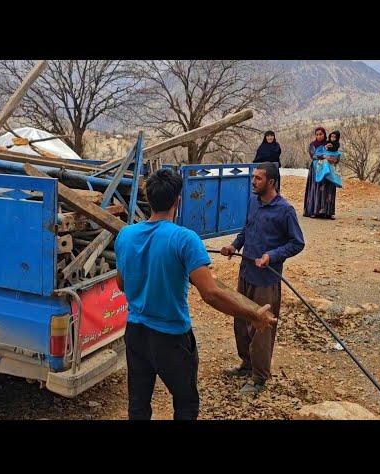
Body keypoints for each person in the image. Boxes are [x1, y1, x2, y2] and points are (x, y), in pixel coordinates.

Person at [114, 168, 277, 420]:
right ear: (178, 200)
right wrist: (253, 314)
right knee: (186, 404)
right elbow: (210, 293)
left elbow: (122, 284)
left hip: (135, 332)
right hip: (171, 337)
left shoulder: (125, 235)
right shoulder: (185, 239)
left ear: (148, 199)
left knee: (138, 403)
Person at [220, 162, 305, 395]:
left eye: (258, 178)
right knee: (240, 321)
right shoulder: (253, 202)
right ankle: (246, 365)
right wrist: (234, 245)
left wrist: (272, 255)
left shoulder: (285, 210)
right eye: (253, 177)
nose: (253, 182)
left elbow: (297, 243)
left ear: (271, 182)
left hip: (266, 279)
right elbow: (246, 231)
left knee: (261, 328)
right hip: (246, 272)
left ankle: (259, 377)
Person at [303, 127, 338, 219]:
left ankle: (328, 212)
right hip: (316, 169)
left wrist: (335, 159)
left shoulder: (329, 144)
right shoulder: (313, 144)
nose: (319, 136)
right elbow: (313, 155)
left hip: (328, 169)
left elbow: (336, 154)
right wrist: (325, 157)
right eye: (317, 134)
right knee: (316, 188)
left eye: (321, 134)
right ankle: (314, 211)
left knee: (328, 189)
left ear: (324, 134)